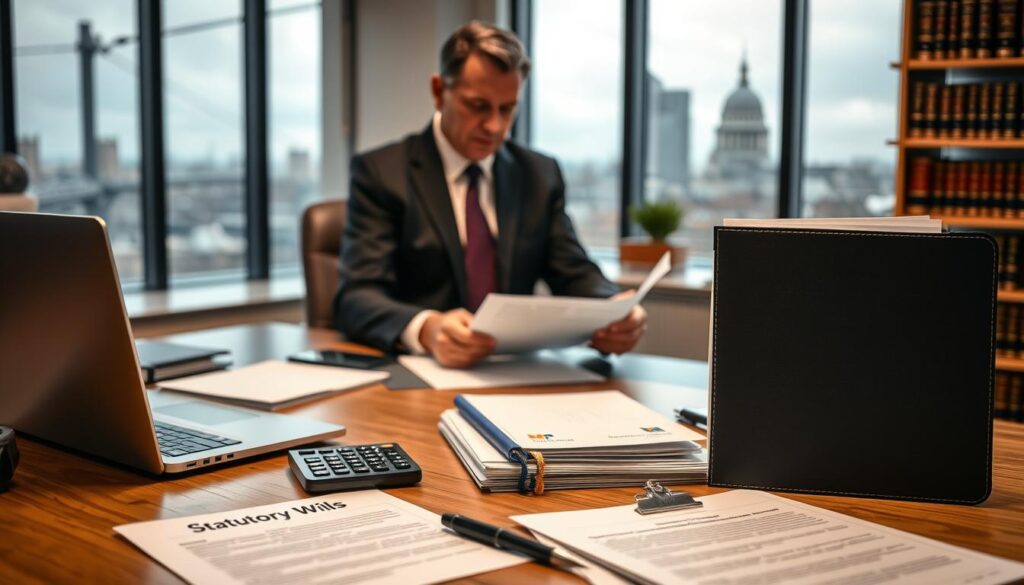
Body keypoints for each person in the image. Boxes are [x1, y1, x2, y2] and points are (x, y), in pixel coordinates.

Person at [334, 21, 647, 368]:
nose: (495, 126)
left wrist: (613, 308)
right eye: (478, 106)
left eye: (507, 109)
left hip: (515, 372)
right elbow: (357, 298)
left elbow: (573, 271)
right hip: (416, 375)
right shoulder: (382, 173)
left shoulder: (539, 176)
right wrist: (427, 328)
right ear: (439, 92)